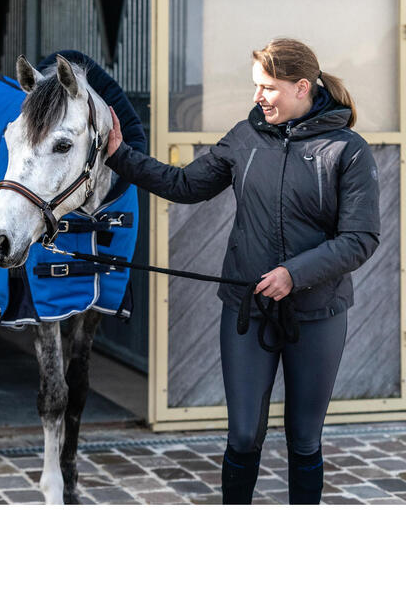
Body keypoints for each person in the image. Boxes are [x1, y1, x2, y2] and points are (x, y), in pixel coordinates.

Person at [105, 38, 381, 505]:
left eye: (268, 88)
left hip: (317, 314)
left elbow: (360, 239)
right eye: (256, 86)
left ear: (302, 87)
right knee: (243, 434)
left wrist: (294, 274)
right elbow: (184, 184)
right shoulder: (244, 137)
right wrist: (118, 153)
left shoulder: (348, 150)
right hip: (247, 312)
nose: (258, 97)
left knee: (304, 437)